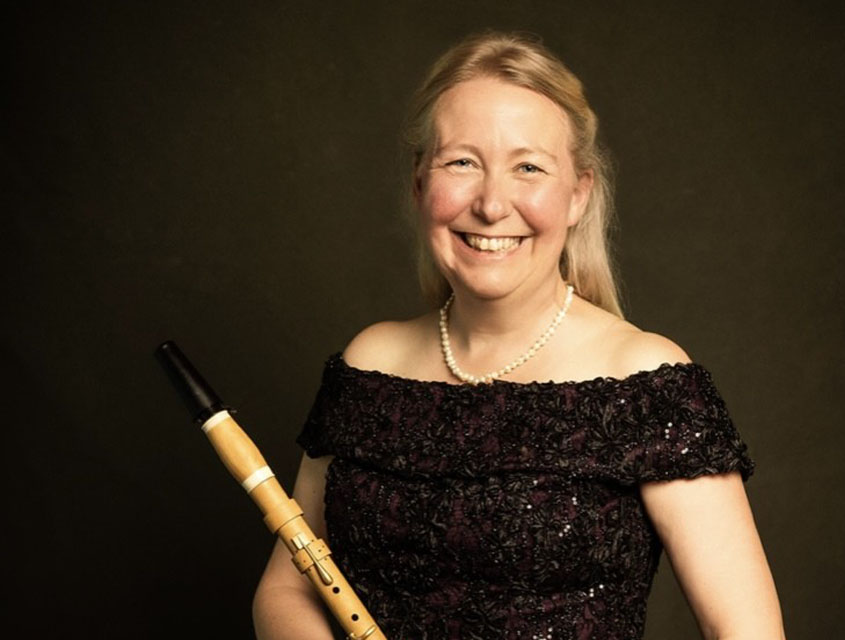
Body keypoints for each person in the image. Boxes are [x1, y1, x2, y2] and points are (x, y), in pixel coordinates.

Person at [253, 31, 785, 639]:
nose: (491, 204)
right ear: (420, 184)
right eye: (462, 163)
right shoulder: (370, 361)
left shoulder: (643, 379)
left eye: (528, 167)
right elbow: (287, 587)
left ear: (578, 194)